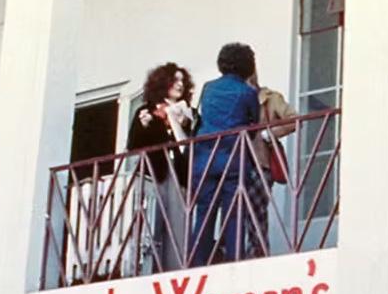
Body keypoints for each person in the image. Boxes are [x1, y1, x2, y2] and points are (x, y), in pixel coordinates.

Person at [191, 42, 260, 265]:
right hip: (233, 157)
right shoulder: (247, 92)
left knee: (204, 213)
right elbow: (254, 125)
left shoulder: (208, 88)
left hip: (205, 157)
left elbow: (202, 115)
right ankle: (233, 261)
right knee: (234, 213)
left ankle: (198, 262)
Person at [127, 62, 196, 271]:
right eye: (175, 80)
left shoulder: (189, 112)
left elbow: (193, 143)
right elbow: (133, 145)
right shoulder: (146, 111)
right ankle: (149, 267)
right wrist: (144, 126)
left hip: (180, 174)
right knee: (151, 223)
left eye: (182, 81)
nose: (180, 84)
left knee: (178, 224)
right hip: (154, 173)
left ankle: (176, 269)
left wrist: (185, 122)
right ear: (162, 82)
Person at [246, 70, 297, 257]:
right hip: (237, 163)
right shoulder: (234, 97)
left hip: (261, 163)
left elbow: (294, 119)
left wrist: (270, 133)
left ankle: (257, 255)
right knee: (236, 214)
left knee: (257, 213)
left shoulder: (271, 97)